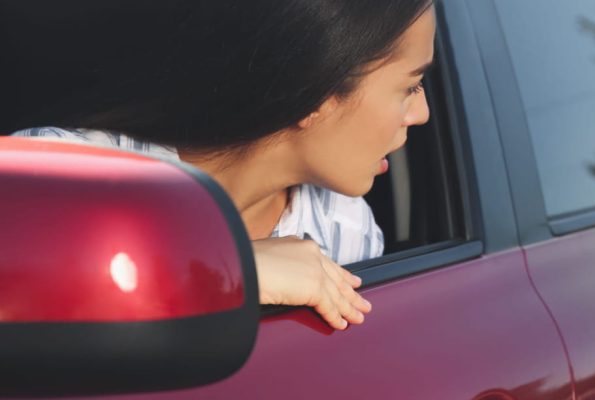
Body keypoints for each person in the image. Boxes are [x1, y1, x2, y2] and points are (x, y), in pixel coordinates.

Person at [3, 0, 436, 331]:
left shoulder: (349, 228)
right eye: (411, 86)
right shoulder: (67, 172)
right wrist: (230, 267)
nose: (423, 114)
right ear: (315, 94)